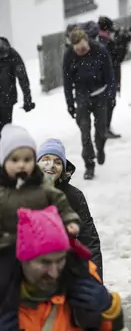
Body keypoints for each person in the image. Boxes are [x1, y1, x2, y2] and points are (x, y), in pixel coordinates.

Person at [0, 125, 80, 323]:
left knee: (72, 279)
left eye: (27, 160)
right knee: (7, 288)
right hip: (10, 247)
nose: (21, 166)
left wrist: (69, 221)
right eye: (15, 160)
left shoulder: (43, 188)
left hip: (44, 248)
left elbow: (61, 203)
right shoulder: (3, 191)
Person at [0, 206, 124, 330]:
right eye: (45, 262)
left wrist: (110, 309)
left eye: (60, 260)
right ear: (23, 259)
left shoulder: (82, 274)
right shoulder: (4, 291)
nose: (54, 273)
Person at [37, 138, 103, 277]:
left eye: (58, 162)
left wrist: (95, 279)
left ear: (63, 170)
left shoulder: (74, 196)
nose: (51, 165)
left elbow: (89, 241)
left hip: (65, 273)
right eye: (46, 159)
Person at [63, 28, 115, 180]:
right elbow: (67, 81)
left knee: (101, 131)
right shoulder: (69, 56)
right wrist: (70, 103)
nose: (81, 51)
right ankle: (89, 165)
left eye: (83, 48)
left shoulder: (100, 50)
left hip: (100, 94)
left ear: (87, 41)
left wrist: (110, 95)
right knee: (84, 131)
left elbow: (110, 75)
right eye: (78, 50)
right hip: (82, 96)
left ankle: (100, 148)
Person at [98, 16, 129, 139]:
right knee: (109, 103)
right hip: (108, 79)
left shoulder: (96, 40)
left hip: (99, 80)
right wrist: (124, 44)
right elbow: (116, 60)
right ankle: (104, 128)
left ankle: (102, 128)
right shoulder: (106, 43)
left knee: (103, 105)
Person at [0, 37, 35, 135]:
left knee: (5, 129)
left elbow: (22, 77)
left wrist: (27, 99)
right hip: (7, 96)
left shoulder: (12, 55)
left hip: (7, 98)